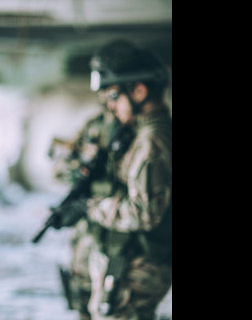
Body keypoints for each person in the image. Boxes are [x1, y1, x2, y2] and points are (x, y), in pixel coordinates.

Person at [75, 39, 172, 320]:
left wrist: (91, 207)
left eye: (114, 96)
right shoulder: (142, 134)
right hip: (132, 254)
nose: (110, 107)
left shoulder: (152, 142)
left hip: (143, 260)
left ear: (139, 91)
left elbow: (144, 213)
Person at [48, 92, 121, 320]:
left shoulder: (140, 131)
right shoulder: (95, 127)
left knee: (113, 303)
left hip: (121, 229)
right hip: (90, 223)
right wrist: (78, 169)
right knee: (81, 290)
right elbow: (61, 169)